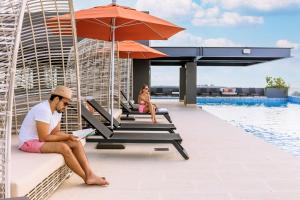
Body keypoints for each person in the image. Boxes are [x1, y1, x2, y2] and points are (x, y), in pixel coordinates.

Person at [18, 86, 109, 186]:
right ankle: (86, 177)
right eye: (65, 103)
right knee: (63, 147)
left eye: (67, 105)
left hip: (40, 140)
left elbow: (56, 132)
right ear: (57, 99)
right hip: (28, 142)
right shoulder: (43, 110)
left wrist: (71, 136)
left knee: (75, 142)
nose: (65, 107)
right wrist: (67, 137)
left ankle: (90, 174)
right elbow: (43, 138)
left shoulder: (58, 111)